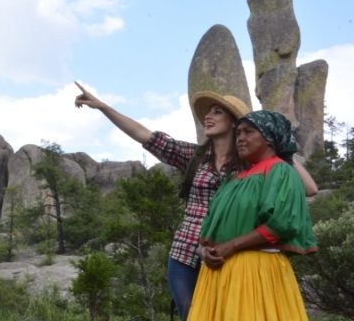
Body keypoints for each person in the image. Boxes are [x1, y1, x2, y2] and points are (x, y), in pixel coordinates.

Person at [73, 82, 318, 320]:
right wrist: (102, 106)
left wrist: (279, 147)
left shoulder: (249, 162)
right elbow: (144, 135)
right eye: (207, 113)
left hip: (231, 254)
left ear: (235, 122)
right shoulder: (196, 156)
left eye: (217, 112)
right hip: (186, 250)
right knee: (192, 314)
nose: (208, 117)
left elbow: (308, 188)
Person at [188, 110, 317, 320]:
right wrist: (204, 251)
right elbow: (209, 226)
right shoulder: (231, 181)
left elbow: (283, 224)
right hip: (216, 275)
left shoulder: (280, 171)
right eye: (238, 133)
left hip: (256, 273)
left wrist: (231, 246)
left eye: (248, 132)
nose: (240, 138)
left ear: (269, 137)